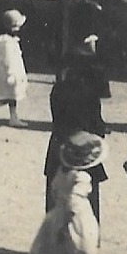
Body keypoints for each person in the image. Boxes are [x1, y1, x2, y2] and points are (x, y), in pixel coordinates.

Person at [30, 131, 122, 254]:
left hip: (57, 217)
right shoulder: (82, 178)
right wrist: (66, 226)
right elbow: (73, 202)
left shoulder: (61, 172)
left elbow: (55, 191)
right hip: (75, 222)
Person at [46, 35, 111, 218]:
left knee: (58, 199)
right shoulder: (89, 94)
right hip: (85, 150)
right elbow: (97, 126)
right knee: (85, 202)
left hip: (60, 147)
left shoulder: (58, 89)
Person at [0, 9, 31, 128]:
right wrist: (11, 74)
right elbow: (7, 60)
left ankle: (13, 117)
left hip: (14, 71)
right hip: (10, 73)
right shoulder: (7, 42)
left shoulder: (10, 40)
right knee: (9, 97)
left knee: (13, 96)